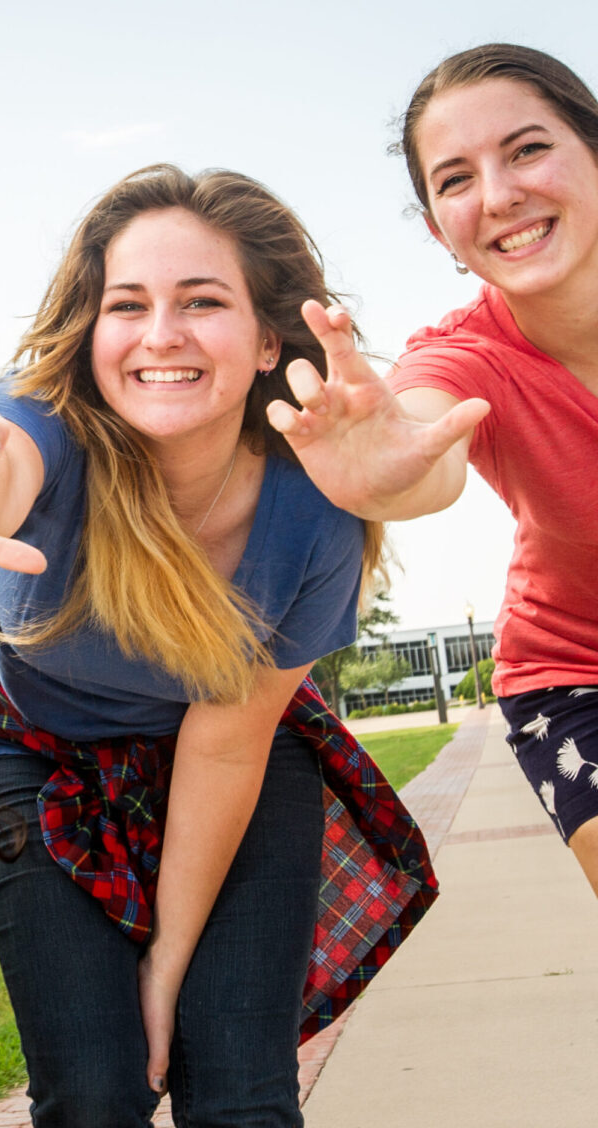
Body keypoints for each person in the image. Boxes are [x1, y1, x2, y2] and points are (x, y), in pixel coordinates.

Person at [0, 165, 436, 1128]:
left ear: (268, 338)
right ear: (90, 332)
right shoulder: (33, 427)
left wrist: (168, 966)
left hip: (229, 761)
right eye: (127, 304)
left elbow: (227, 746)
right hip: (30, 752)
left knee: (238, 1097)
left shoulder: (313, 510)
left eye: (202, 302)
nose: (160, 334)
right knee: (93, 1102)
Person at [267, 43, 598, 898]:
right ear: (437, 228)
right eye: (455, 180)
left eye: (527, 149)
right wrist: (382, 467)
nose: (498, 195)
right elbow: (424, 447)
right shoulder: (463, 356)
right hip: (578, 676)